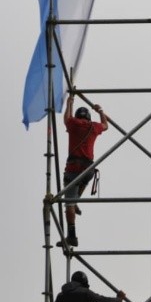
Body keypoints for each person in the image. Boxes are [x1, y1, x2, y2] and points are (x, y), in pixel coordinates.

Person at [58, 92, 108, 247]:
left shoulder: (73, 124)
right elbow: (106, 126)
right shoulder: (93, 127)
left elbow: (67, 118)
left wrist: (69, 103)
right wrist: (100, 111)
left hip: (73, 169)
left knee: (69, 205)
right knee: (83, 180)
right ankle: (76, 200)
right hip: (88, 169)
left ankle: (72, 236)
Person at [52, 271, 125, 302]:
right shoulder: (85, 292)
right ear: (84, 281)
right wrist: (119, 299)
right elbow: (103, 301)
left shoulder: (60, 295)